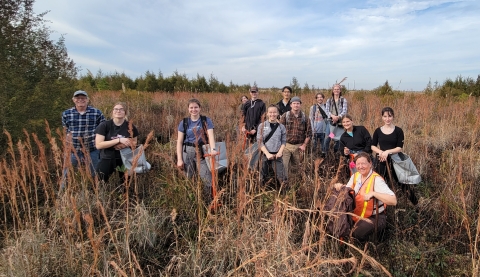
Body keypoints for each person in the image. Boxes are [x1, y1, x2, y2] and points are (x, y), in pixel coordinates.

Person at [334, 152, 397, 241]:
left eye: (363, 163)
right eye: (358, 164)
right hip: (356, 213)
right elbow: (347, 192)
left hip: (375, 217)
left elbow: (393, 200)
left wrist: (374, 194)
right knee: (339, 225)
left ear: (370, 163)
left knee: (355, 233)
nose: (360, 166)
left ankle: (371, 244)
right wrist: (341, 187)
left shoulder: (376, 180)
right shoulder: (356, 176)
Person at [176, 99, 218, 202]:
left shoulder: (205, 120)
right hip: (188, 152)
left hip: (202, 152)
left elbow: (211, 136)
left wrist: (213, 149)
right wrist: (179, 159)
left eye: (196, 107)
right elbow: (179, 142)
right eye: (191, 107)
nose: (193, 110)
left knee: (207, 179)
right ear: (188, 109)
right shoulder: (184, 122)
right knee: (189, 178)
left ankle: (208, 201)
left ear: (200, 108)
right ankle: (191, 202)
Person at [62, 90, 105, 180]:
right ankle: (63, 192)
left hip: (92, 150)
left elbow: (103, 130)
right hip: (73, 151)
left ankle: (94, 193)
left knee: (94, 176)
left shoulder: (97, 113)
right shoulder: (66, 114)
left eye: (83, 98)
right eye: (78, 98)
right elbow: (65, 131)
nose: (80, 100)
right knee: (66, 175)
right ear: (73, 100)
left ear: (87, 100)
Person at [95, 102, 139, 183]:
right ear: (112, 111)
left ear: (125, 112)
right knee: (99, 182)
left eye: (121, 109)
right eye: (116, 109)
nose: (118, 111)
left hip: (125, 159)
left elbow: (134, 142)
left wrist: (123, 145)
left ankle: (124, 195)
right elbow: (98, 145)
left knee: (126, 184)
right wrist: (118, 140)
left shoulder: (130, 126)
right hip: (107, 157)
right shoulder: (104, 125)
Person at [280, 96, 312, 178]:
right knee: (284, 166)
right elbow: (279, 131)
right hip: (286, 146)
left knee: (297, 167)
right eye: (294, 103)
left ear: (300, 105)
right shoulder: (285, 116)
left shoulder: (305, 117)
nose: (296, 105)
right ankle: (285, 184)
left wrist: (304, 145)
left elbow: (309, 133)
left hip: (299, 146)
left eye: (298, 103)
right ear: (291, 105)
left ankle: (295, 184)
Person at [371, 107, 404, 182]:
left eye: (390, 116)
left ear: (393, 116)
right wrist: (380, 152)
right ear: (382, 117)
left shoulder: (398, 131)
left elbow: (399, 148)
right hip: (381, 158)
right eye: (385, 116)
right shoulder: (378, 131)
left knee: (400, 181)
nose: (387, 119)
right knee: (380, 180)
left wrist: (387, 152)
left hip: (395, 159)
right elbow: (373, 146)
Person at [257, 105, 287, 187]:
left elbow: (284, 141)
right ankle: (261, 190)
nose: (272, 114)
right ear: (267, 113)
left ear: (277, 113)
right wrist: (267, 154)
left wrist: (280, 152)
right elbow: (260, 142)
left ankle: (283, 193)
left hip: (277, 155)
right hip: (265, 154)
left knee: (281, 177)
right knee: (262, 176)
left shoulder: (281, 127)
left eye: (274, 112)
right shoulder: (262, 126)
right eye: (270, 112)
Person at [324, 84, 348, 153]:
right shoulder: (329, 100)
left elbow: (344, 111)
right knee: (328, 138)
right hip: (331, 123)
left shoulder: (343, 100)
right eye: (335, 89)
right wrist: (332, 116)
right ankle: (325, 153)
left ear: (340, 91)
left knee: (338, 138)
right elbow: (327, 110)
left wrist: (338, 117)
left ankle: (336, 153)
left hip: (339, 123)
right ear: (333, 90)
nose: (336, 90)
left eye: (338, 89)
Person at [309, 92, 328, 157]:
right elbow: (311, 119)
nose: (320, 98)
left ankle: (323, 158)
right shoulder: (313, 107)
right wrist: (312, 130)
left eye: (321, 97)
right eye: (318, 97)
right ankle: (314, 158)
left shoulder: (326, 107)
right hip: (315, 131)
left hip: (324, 131)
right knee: (314, 146)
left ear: (323, 98)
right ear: (316, 99)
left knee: (324, 146)